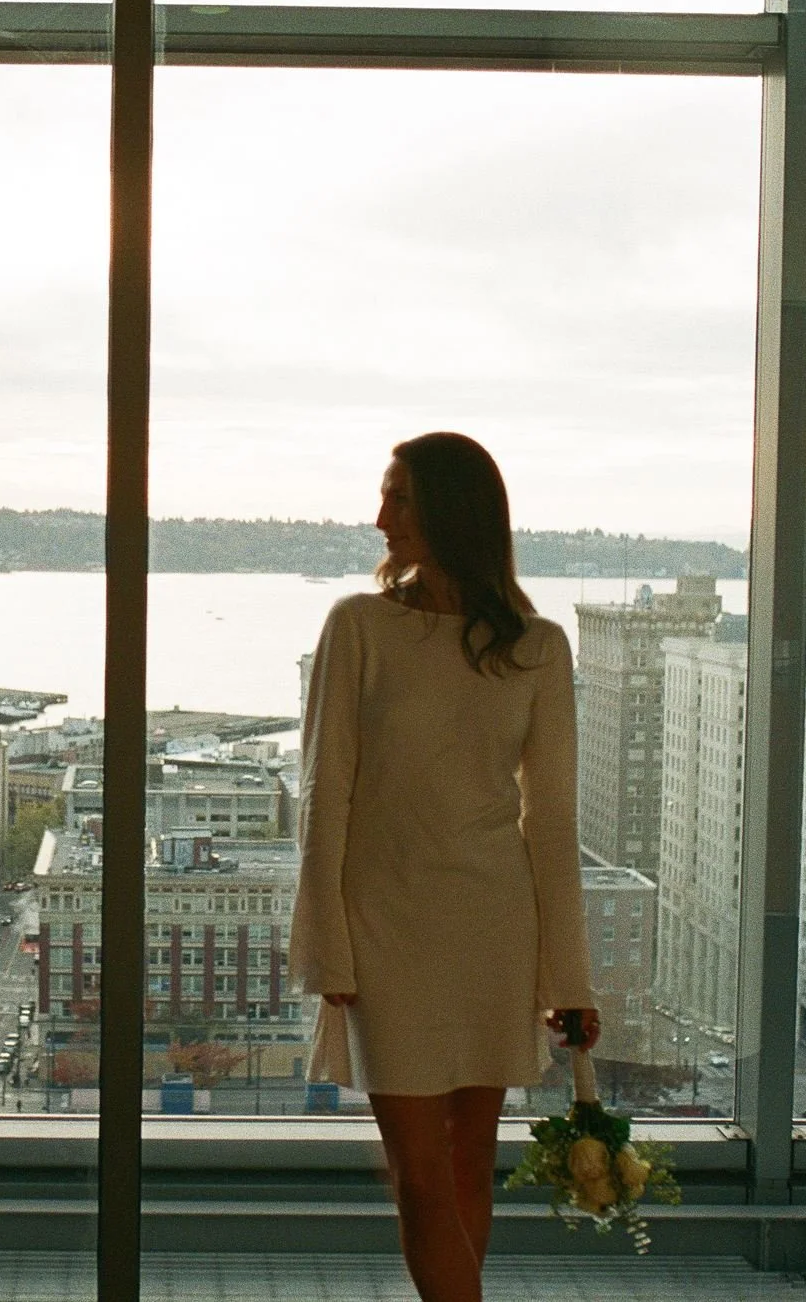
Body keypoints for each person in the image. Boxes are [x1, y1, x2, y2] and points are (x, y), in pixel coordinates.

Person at [289, 431, 599, 1302]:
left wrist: (569, 980)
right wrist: (327, 949)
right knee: (420, 1178)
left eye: (399, 499)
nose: (379, 517)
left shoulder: (539, 647)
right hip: (387, 935)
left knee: (467, 1173)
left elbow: (553, 822)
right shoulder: (358, 626)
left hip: (493, 931)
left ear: (450, 513)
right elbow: (325, 794)